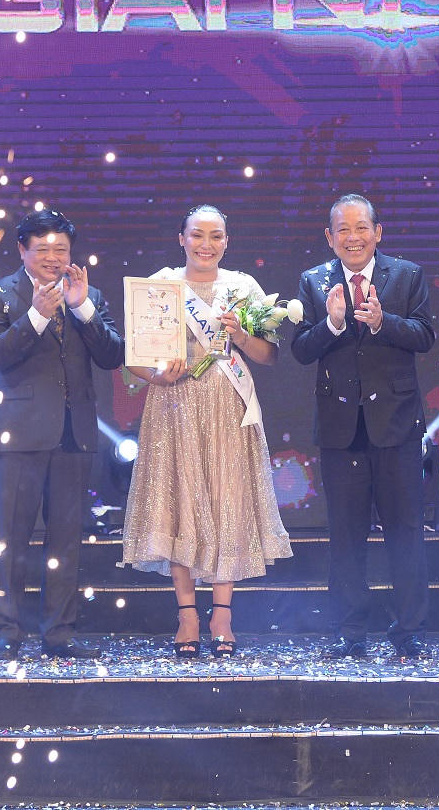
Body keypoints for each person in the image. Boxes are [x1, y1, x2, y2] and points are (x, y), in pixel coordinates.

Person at [121, 205, 292, 658]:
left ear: (227, 241)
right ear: (181, 239)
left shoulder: (242, 288)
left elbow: (269, 356)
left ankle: (222, 614)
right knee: (179, 504)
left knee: (225, 502)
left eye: (216, 236)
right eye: (197, 235)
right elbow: (134, 358)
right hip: (173, 405)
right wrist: (158, 376)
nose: (206, 244)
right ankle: (186, 615)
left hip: (227, 407)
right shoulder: (161, 285)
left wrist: (241, 336)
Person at [291, 194, 435, 659]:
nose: (352, 237)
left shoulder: (406, 275)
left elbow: (425, 335)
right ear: (329, 237)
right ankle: (350, 632)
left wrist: (382, 322)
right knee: (346, 537)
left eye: (361, 228)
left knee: (405, 533)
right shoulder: (313, 281)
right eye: (343, 230)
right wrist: (332, 324)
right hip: (341, 429)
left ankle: (408, 631)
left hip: (396, 425)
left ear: (378, 232)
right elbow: (301, 349)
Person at [0, 210, 123, 660]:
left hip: (74, 435)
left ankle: (59, 633)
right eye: (43, 249)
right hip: (19, 435)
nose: (53, 257)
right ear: (22, 250)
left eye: (61, 249)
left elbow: (113, 356)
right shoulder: (1, 294)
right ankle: (6, 630)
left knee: (66, 541)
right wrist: (36, 317)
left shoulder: (88, 295)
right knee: (10, 539)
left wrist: (82, 309)